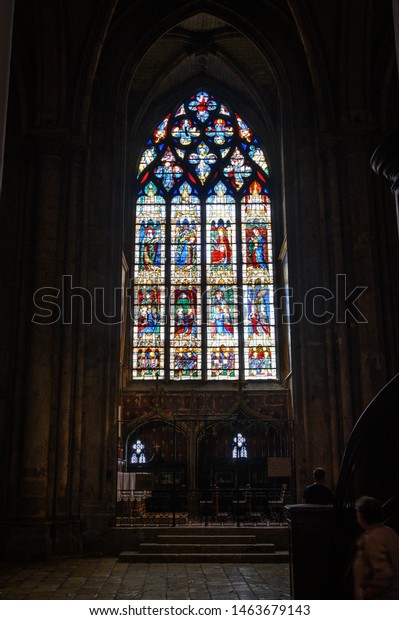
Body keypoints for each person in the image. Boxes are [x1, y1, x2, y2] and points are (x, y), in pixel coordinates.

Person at [352, 496, 399, 599]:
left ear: (362, 515)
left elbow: (383, 573)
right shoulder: (390, 532)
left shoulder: (372, 538)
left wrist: (369, 594)